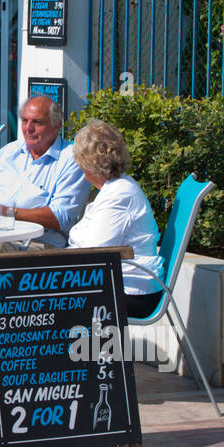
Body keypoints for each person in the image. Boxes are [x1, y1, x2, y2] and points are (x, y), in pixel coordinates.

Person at [67, 120, 165, 319]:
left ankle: (69, 350)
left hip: (132, 291)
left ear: (87, 164)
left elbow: (93, 252)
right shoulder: (115, 189)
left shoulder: (119, 194)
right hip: (121, 282)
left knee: (42, 299)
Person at [0, 95, 90, 247]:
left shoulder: (71, 159)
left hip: (33, 243)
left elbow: (62, 217)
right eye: (25, 121)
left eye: (37, 122)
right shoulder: (8, 152)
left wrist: (5, 212)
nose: (28, 128)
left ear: (57, 125)